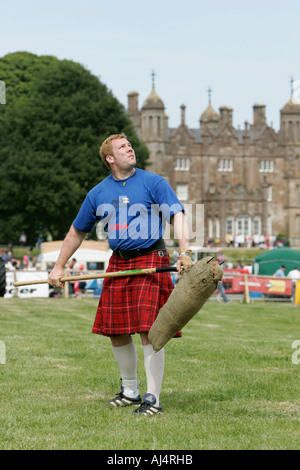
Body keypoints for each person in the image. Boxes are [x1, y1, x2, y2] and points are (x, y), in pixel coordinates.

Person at [48, 133, 192, 416]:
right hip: (119, 263)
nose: (130, 149)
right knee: (116, 331)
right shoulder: (98, 193)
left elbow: (177, 214)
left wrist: (184, 251)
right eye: (123, 147)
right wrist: (59, 265)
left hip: (152, 258)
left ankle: (153, 398)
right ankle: (130, 391)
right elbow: (77, 231)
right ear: (110, 159)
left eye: (130, 145)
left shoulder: (154, 182)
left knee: (150, 331)